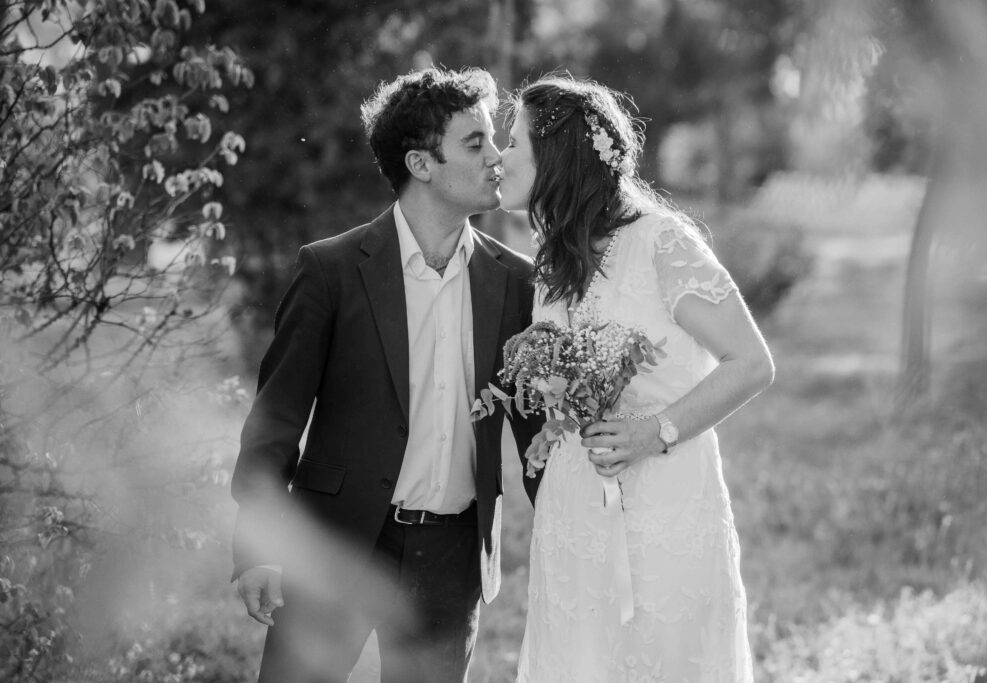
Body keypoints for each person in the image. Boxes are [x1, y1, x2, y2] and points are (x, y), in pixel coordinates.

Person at [229, 67, 540, 683]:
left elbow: (534, 432)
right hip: (333, 544)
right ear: (421, 164)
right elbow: (276, 417)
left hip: (453, 558)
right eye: (475, 144)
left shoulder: (518, 282)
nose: (497, 157)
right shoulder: (331, 270)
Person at [499, 75, 775, 681]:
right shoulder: (554, 260)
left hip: (663, 511)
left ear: (556, 156)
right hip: (574, 511)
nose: (500, 157)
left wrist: (657, 431)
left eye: (512, 141)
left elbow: (752, 363)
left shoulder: (661, 244)